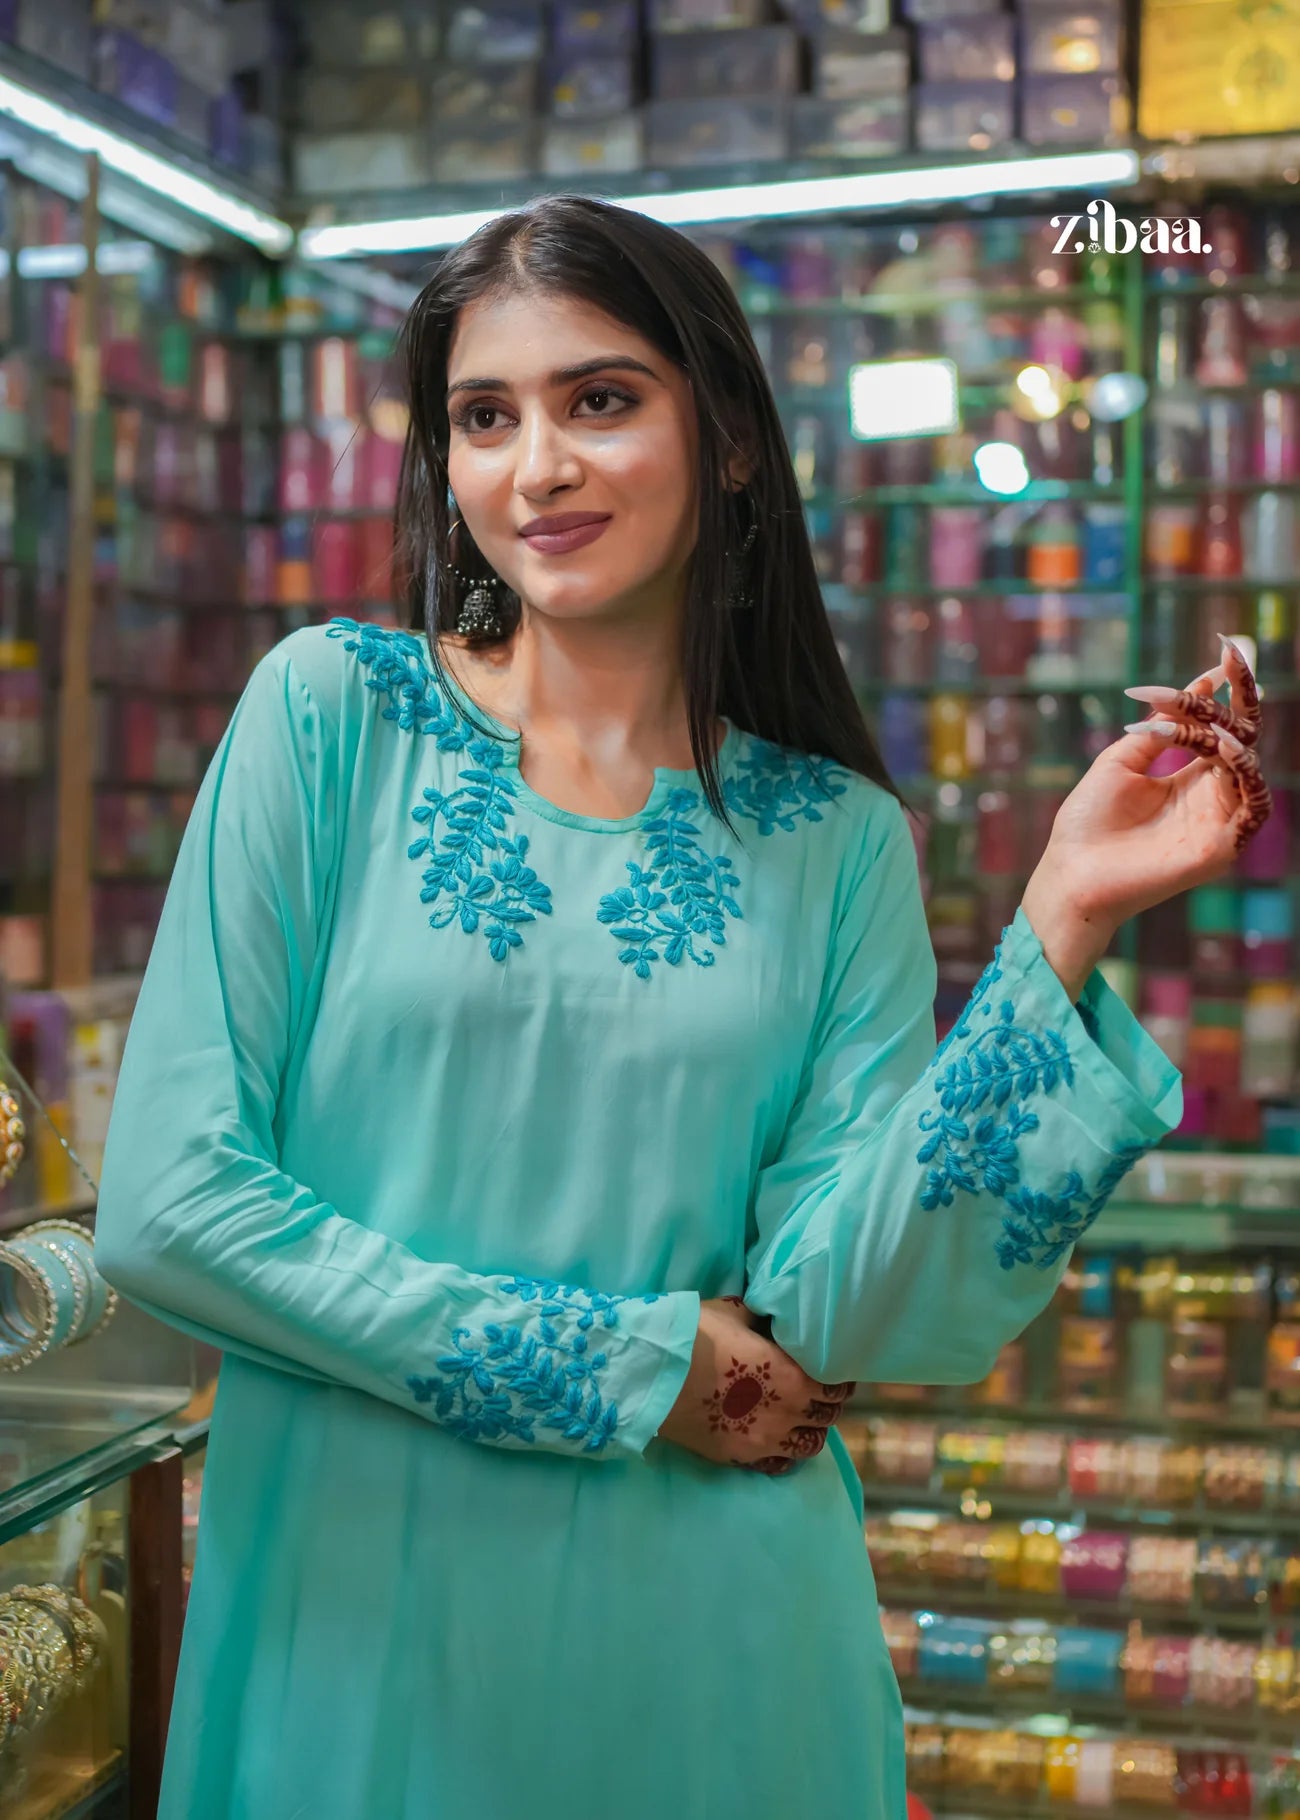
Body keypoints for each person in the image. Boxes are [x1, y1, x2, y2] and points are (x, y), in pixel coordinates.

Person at [93, 195, 1272, 1820]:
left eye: (599, 400)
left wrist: (1060, 920)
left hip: (724, 1652)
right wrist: (629, 1370)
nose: (537, 467)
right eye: (484, 418)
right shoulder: (329, 719)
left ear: (723, 440)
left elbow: (847, 1314)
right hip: (361, 1628)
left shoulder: (835, 837)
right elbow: (169, 1209)